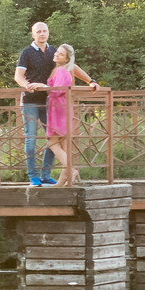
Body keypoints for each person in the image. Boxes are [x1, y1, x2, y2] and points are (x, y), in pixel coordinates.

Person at [44, 43, 98, 185]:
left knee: (53, 144)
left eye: (61, 54)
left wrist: (43, 87)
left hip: (58, 109)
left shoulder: (61, 71)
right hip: (62, 108)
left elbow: (58, 90)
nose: (56, 54)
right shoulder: (63, 70)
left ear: (67, 59)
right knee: (64, 146)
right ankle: (63, 181)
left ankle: (71, 170)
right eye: (57, 52)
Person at [14, 20, 56, 184]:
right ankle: (33, 177)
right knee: (31, 139)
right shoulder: (27, 52)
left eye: (44, 31)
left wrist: (90, 81)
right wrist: (27, 85)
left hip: (49, 101)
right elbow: (18, 76)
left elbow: (69, 67)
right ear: (33, 34)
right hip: (30, 101)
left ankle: (46, 175)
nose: (42, 34)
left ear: (48, 33)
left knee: (54, 138)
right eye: (38, 31)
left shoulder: (54, 52)